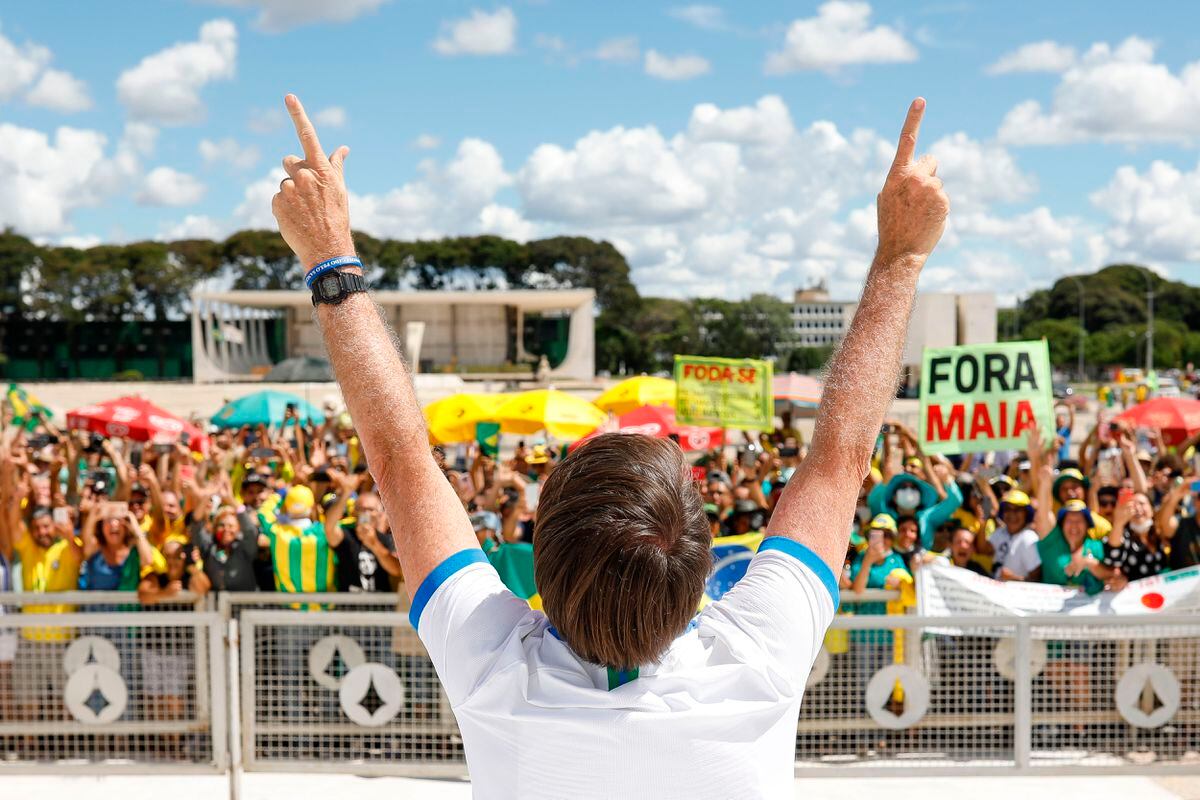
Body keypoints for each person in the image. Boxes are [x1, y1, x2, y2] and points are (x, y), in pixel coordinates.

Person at [272, 92, 947, 796]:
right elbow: (839, 462)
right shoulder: (757, 662)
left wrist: (331, 259)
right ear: (702, 574)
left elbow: (401, 460)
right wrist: (900, 257)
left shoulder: (493, 672)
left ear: (540, 565)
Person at [325, 471, 402, 592]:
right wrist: (346, 493)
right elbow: (329, 528)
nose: (366, 513)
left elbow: (396, 570)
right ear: (354, 512)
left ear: (379, 514)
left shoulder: (386, 539)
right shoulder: (346, 535)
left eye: (371, 510)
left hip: (380, 608)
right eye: (362, 509)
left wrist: (374, 544)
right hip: (348, 608)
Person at [986, 490, 1041, 581]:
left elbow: (1037, 579)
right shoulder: (1001, 532)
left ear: (1026, 514)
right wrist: (983, 520)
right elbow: (984, 549)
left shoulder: (1029, 539)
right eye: (1008, 509)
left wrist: (1014, 578)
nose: (1012, 514)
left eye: (1018, 510)